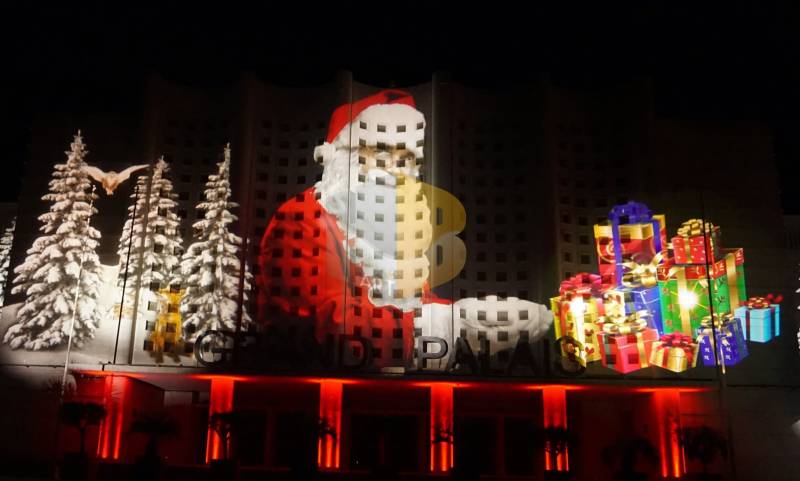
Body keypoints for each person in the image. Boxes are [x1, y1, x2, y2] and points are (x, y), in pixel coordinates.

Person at [257, 89, 551, 370]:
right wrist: (449, 326)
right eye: (382, 154)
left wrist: (471, 317)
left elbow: (412, 308)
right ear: (344, 157)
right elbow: (332, 328)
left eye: (407, 159)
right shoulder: (302, 216)